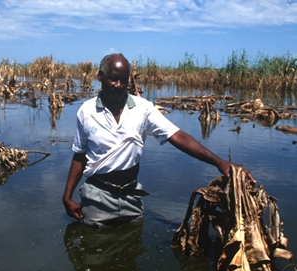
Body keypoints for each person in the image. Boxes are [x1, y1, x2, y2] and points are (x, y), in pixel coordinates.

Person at [62, 53, 254, 226]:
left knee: (132, 250)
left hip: (131, 195)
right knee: (94, 253)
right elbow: (80, 155)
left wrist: (219, 162)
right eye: (113, 79)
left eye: (123, 80)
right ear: (100, 76)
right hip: (98, 194)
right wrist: (67, 196)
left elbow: (177, 136)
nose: (118, 85)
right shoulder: (86, 111)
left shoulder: (142, 109)